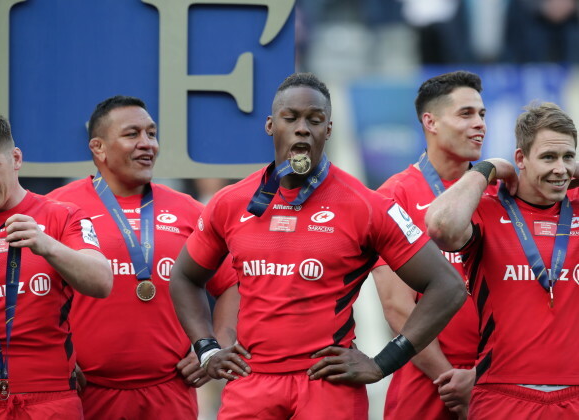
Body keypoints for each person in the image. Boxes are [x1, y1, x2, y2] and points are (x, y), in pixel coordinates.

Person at [169, 72, 467, 419]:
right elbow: (185, 277)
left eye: (315, 120)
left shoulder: (366, 205)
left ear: (328, 130)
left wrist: (383, 362)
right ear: (270, 125)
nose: (302, 128)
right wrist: (206, 349)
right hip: (251, 383)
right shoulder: (231, 202)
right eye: (290, 117)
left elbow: (448, 286)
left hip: (327, 386)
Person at [47, 95, 239, 420]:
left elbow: (233, 284)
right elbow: (30, 290)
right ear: (99, 148)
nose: (147, 143)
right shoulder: (57, 209)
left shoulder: (191, 211)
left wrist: (214, 346)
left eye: (151, 133)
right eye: (132, 134)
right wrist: (50, 357)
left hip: (170, 391)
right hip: (83, 392)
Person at [0, 107, 112, 418]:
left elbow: (102, 282)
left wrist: (47, 245)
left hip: (50, 398)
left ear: (16, 159)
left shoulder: (62, 215)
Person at [425, 102, 579, 419]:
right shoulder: (489, 208)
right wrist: (489, 168)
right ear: (520, 158)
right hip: (502, 394)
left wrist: (565, 166)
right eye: (548, 157)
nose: (561, 168)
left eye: (568, 157)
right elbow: (440, 227)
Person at [372, 70, 490, 419]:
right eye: (466, 114)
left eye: (482, 114)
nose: (479, 124)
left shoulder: (499, 193)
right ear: (431, 122)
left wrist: (480, 379)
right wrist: (451, 382)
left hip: (495, 381)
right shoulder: (394, 196)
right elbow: (397, 308)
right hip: (427, 382)